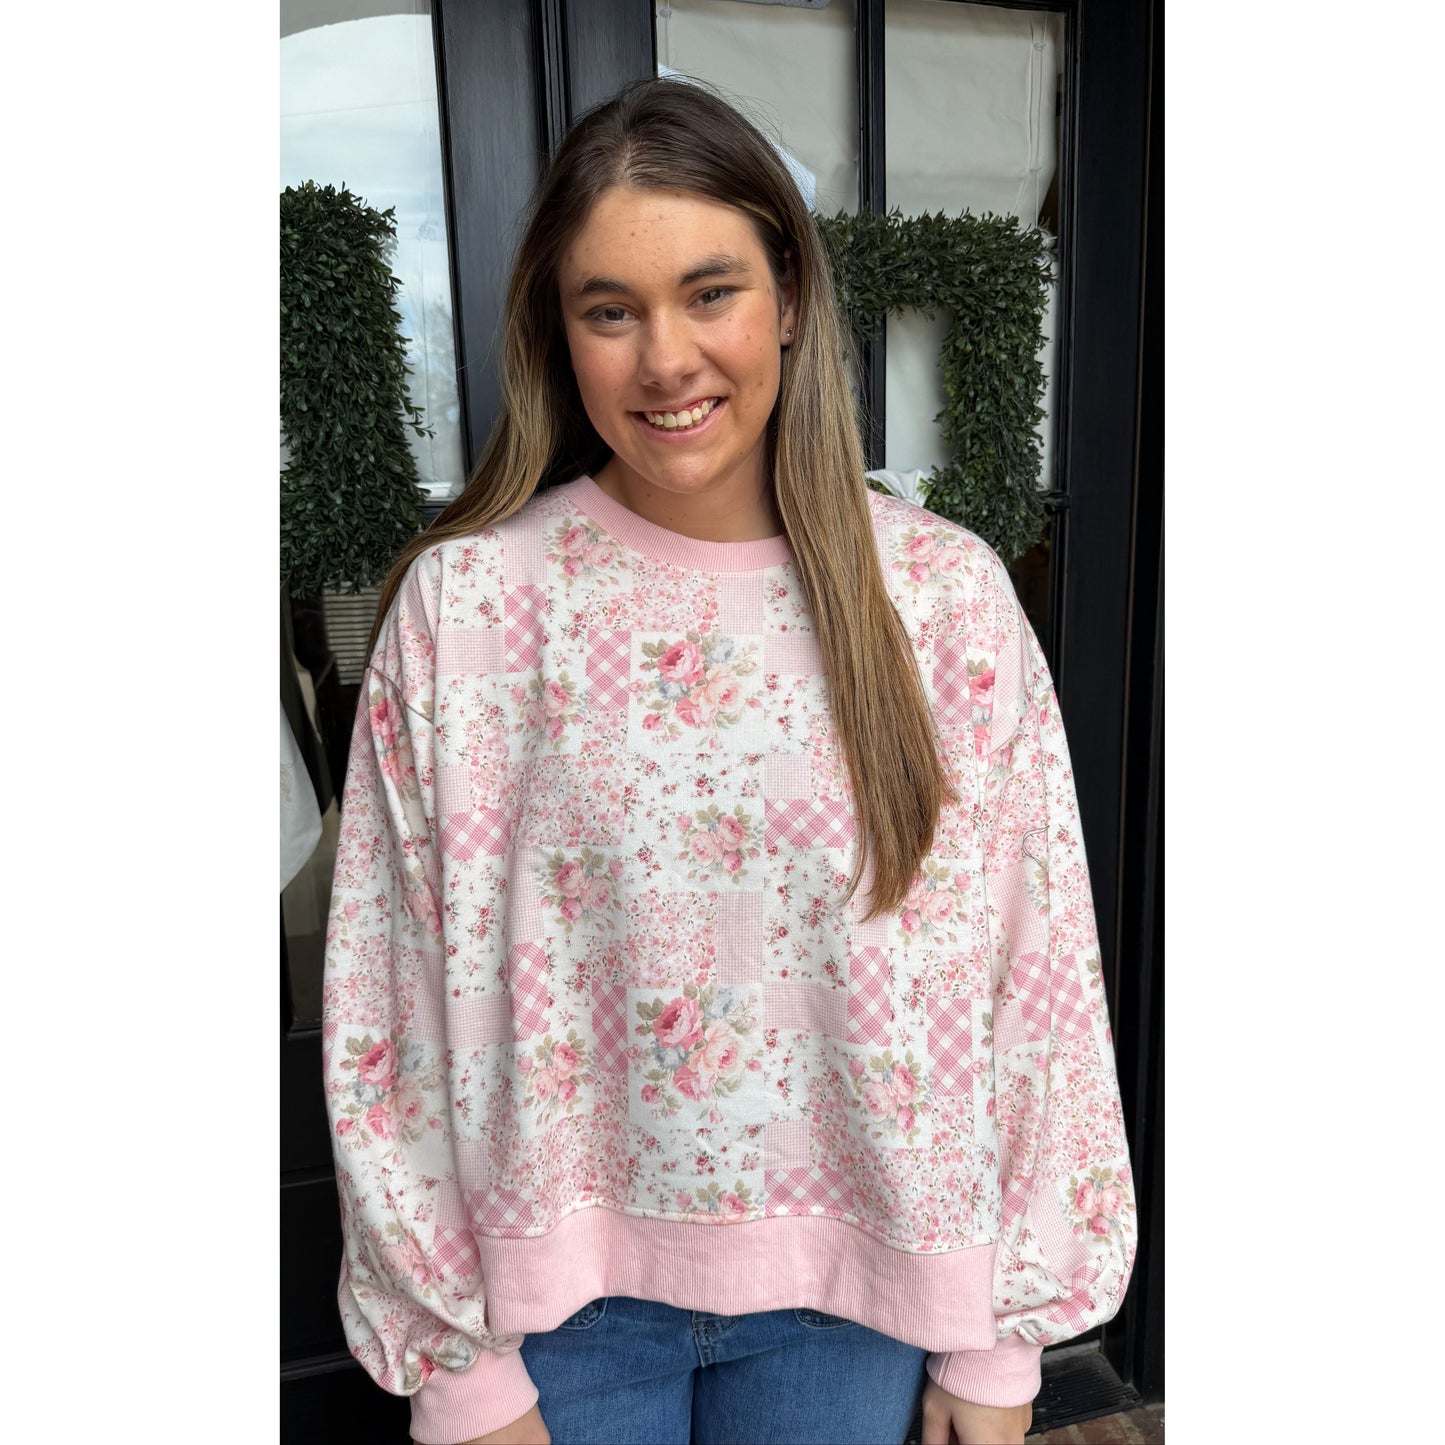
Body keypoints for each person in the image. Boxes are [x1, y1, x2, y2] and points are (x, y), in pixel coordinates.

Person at [322, 77, 1135, 1445]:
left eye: (710, 292)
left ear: (791, 300)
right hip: (552, 1316)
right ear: (558, 333)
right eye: (609, 309)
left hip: (861, 1293)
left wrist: (998, 1345)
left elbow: (1031, 969)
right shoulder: (469, 610)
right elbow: (384, 1002)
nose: (665, 360)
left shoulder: (937, 598)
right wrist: (455, 1364)